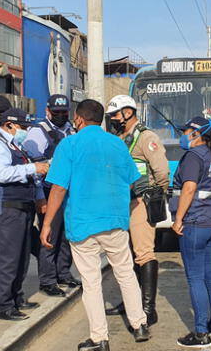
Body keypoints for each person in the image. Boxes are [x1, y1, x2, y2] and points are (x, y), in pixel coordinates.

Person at [40, 99, 150, 351]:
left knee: (91, 282)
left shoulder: (69, 144)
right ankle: (140, 324)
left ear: (78, 119)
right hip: (115, 220)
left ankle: (99, 339)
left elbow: (58, 188)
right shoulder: (117, 144)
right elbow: (133, 181)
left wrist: (47, 224)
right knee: (125, 273)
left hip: (83, 223)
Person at [103, 95, 169, 325]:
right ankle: (132, 302)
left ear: (128, 113)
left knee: (143, 253)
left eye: (115, 115)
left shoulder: (146, 137)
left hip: (141, 201)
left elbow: (161, 172)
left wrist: (155, 196)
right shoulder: (119, 138)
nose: (112, 119)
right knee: (127, 256)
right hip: (121, 202)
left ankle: (148, 309)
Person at [0, 108, 49, 321]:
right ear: (9, 125)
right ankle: (2, 305)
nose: (26, 131)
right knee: (7, 259)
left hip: (22, 208)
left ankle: (16, 298)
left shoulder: (14, 145)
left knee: (21, 258)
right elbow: (2, 174)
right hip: (6, 209)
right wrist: (33, 169)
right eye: (23, 127)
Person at [170, 116, 211, 348]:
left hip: (194, 224)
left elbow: (189, 187)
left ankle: (201, 333)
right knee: (210, 275)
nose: (182, 135)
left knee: (195, 278)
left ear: (196, 134)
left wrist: (179, 219)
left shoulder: (193, 156)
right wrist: (210, 207)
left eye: (185, 131)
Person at [22, 94, 81, 297]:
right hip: (49, 191)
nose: (61, 116)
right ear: (48, 111)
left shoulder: (71, 131)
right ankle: (47, 280)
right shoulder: (38, 132)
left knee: (66, 235)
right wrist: (40, 197)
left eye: (64, 112)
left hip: (69, 192)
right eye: (56, 113)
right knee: (49, 236)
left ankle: (63, 273)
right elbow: (35, 168)